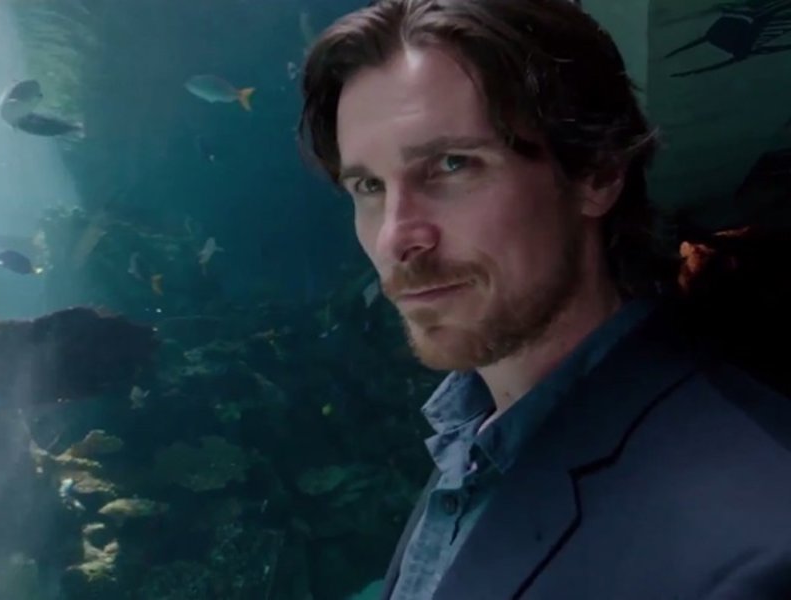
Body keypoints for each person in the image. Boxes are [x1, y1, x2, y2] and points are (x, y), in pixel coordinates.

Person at [296, 1, 791, 598]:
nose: (394, 237)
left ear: (597, 174)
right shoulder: (476, 436)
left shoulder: (758, 552)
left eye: (451, 165)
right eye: (369, 186)